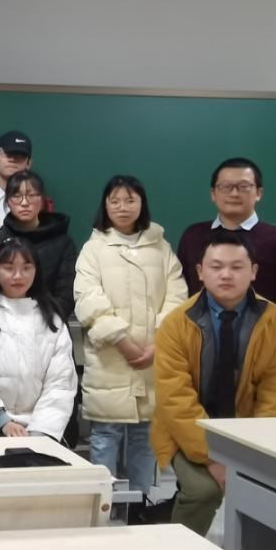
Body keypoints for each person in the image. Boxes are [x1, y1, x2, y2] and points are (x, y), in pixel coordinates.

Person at [152, 229, 276, 536]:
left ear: (254, 271)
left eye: (236, 267)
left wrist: (247, 460)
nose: (226, 275)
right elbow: (176, 402)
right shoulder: (176, 323)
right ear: (200, 272)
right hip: (186, 433)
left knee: (271, 491)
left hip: (250, 435)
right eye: (216, 266)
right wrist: (215, 461)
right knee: (203, 491)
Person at [74, 176, 187, 496]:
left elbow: (177, 298)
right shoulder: (94, 249)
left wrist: (157, 344)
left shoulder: (161, 247)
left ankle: (140, 504)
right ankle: (103, 504)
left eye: (130, 200)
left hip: (153, 359)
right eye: (115, 201)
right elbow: (88, 300)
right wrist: (123, 341)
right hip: (110, 357)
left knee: (145, 436)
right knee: (105, 434)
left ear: (142, 204)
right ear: (105, 205)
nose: (122, 207)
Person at [0, 238, 77, 442]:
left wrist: (41, 430)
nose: (18, 276)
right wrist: (1, 420)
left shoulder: (52, 320)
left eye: (26, 268)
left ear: (36, 271)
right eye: (8, 268)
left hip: (42, 430)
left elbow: (61, 383)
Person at [176, 157, 276, 324]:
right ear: (213, 194)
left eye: (244, 187)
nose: (234, 193)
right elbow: (182, 291)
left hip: (263, 334)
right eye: (225, 187)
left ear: (258, 193)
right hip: (198, 334)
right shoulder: (193, 235)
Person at [0, 170, 77, 318]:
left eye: (32, 195)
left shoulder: (63, 243)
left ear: (42, 199)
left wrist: (40, 323)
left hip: (50, 324)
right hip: (2, 322)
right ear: (8, 201)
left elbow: (66, 296)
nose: (24, 203)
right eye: (17, 196)